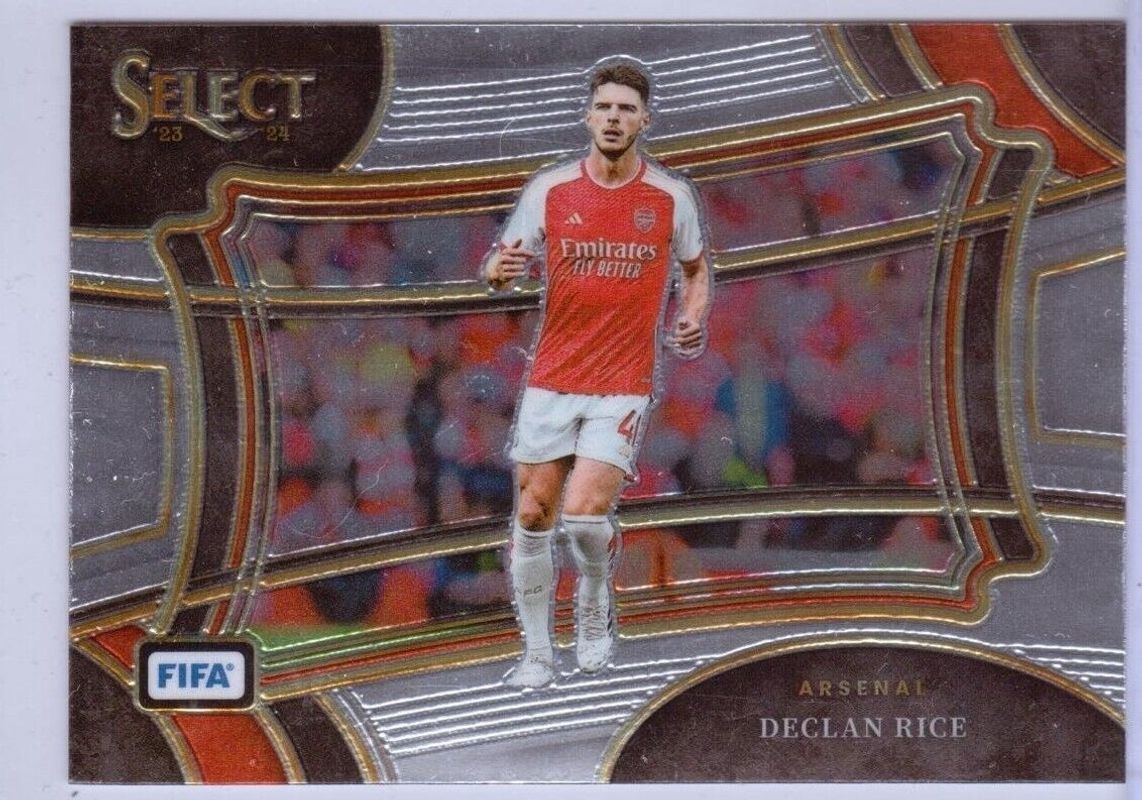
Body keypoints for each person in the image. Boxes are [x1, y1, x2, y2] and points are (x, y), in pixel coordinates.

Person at [483, 60, 712, 688]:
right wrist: (500, 272)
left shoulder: (669, 198)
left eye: (626, 109)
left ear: (644, 120)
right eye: (604, 107)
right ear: (588, 117)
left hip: (622, 382)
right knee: (533, 514)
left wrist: (691, 317)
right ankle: (537, 653)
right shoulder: (551, 190)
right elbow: (501, 263)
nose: (614, 118)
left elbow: (694, 270)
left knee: (584, 514)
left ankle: (593, 596)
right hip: (552, 377)